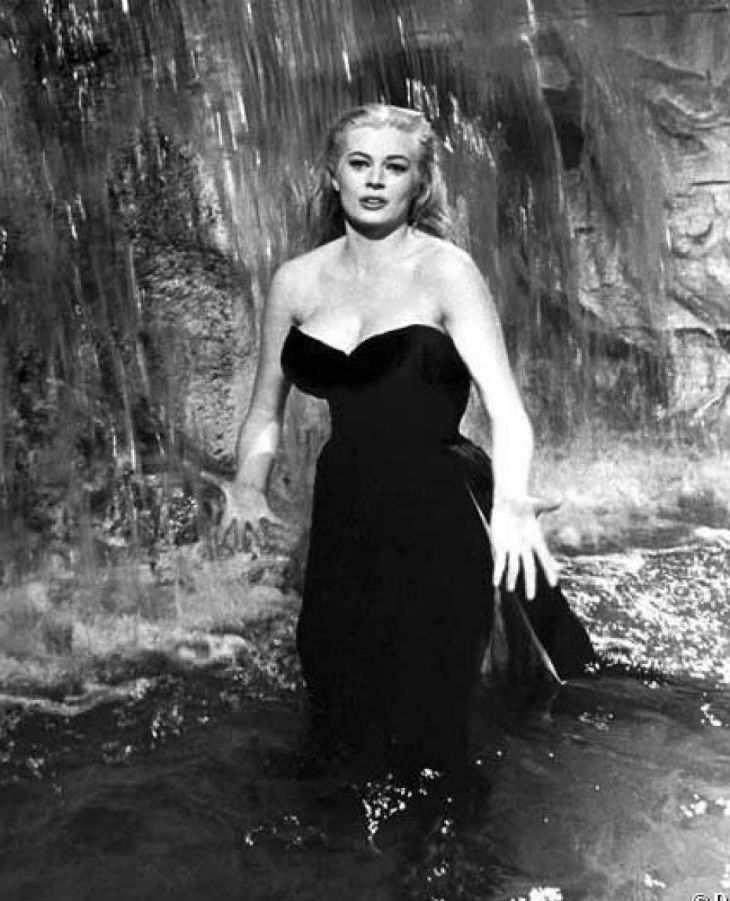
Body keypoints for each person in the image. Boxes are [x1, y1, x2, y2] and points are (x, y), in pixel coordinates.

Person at [220, 103, 595, 783]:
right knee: (335, 704)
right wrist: (249, 483)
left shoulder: (448, 271)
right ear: (332, 173)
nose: (374, 180)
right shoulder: (295, 281)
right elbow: (264, 413)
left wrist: (512, 500)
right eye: (359, 163)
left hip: (438, 506)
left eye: (394, 168)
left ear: (418, 184)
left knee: (434, 719)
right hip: (345, 509)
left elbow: (507, 410)